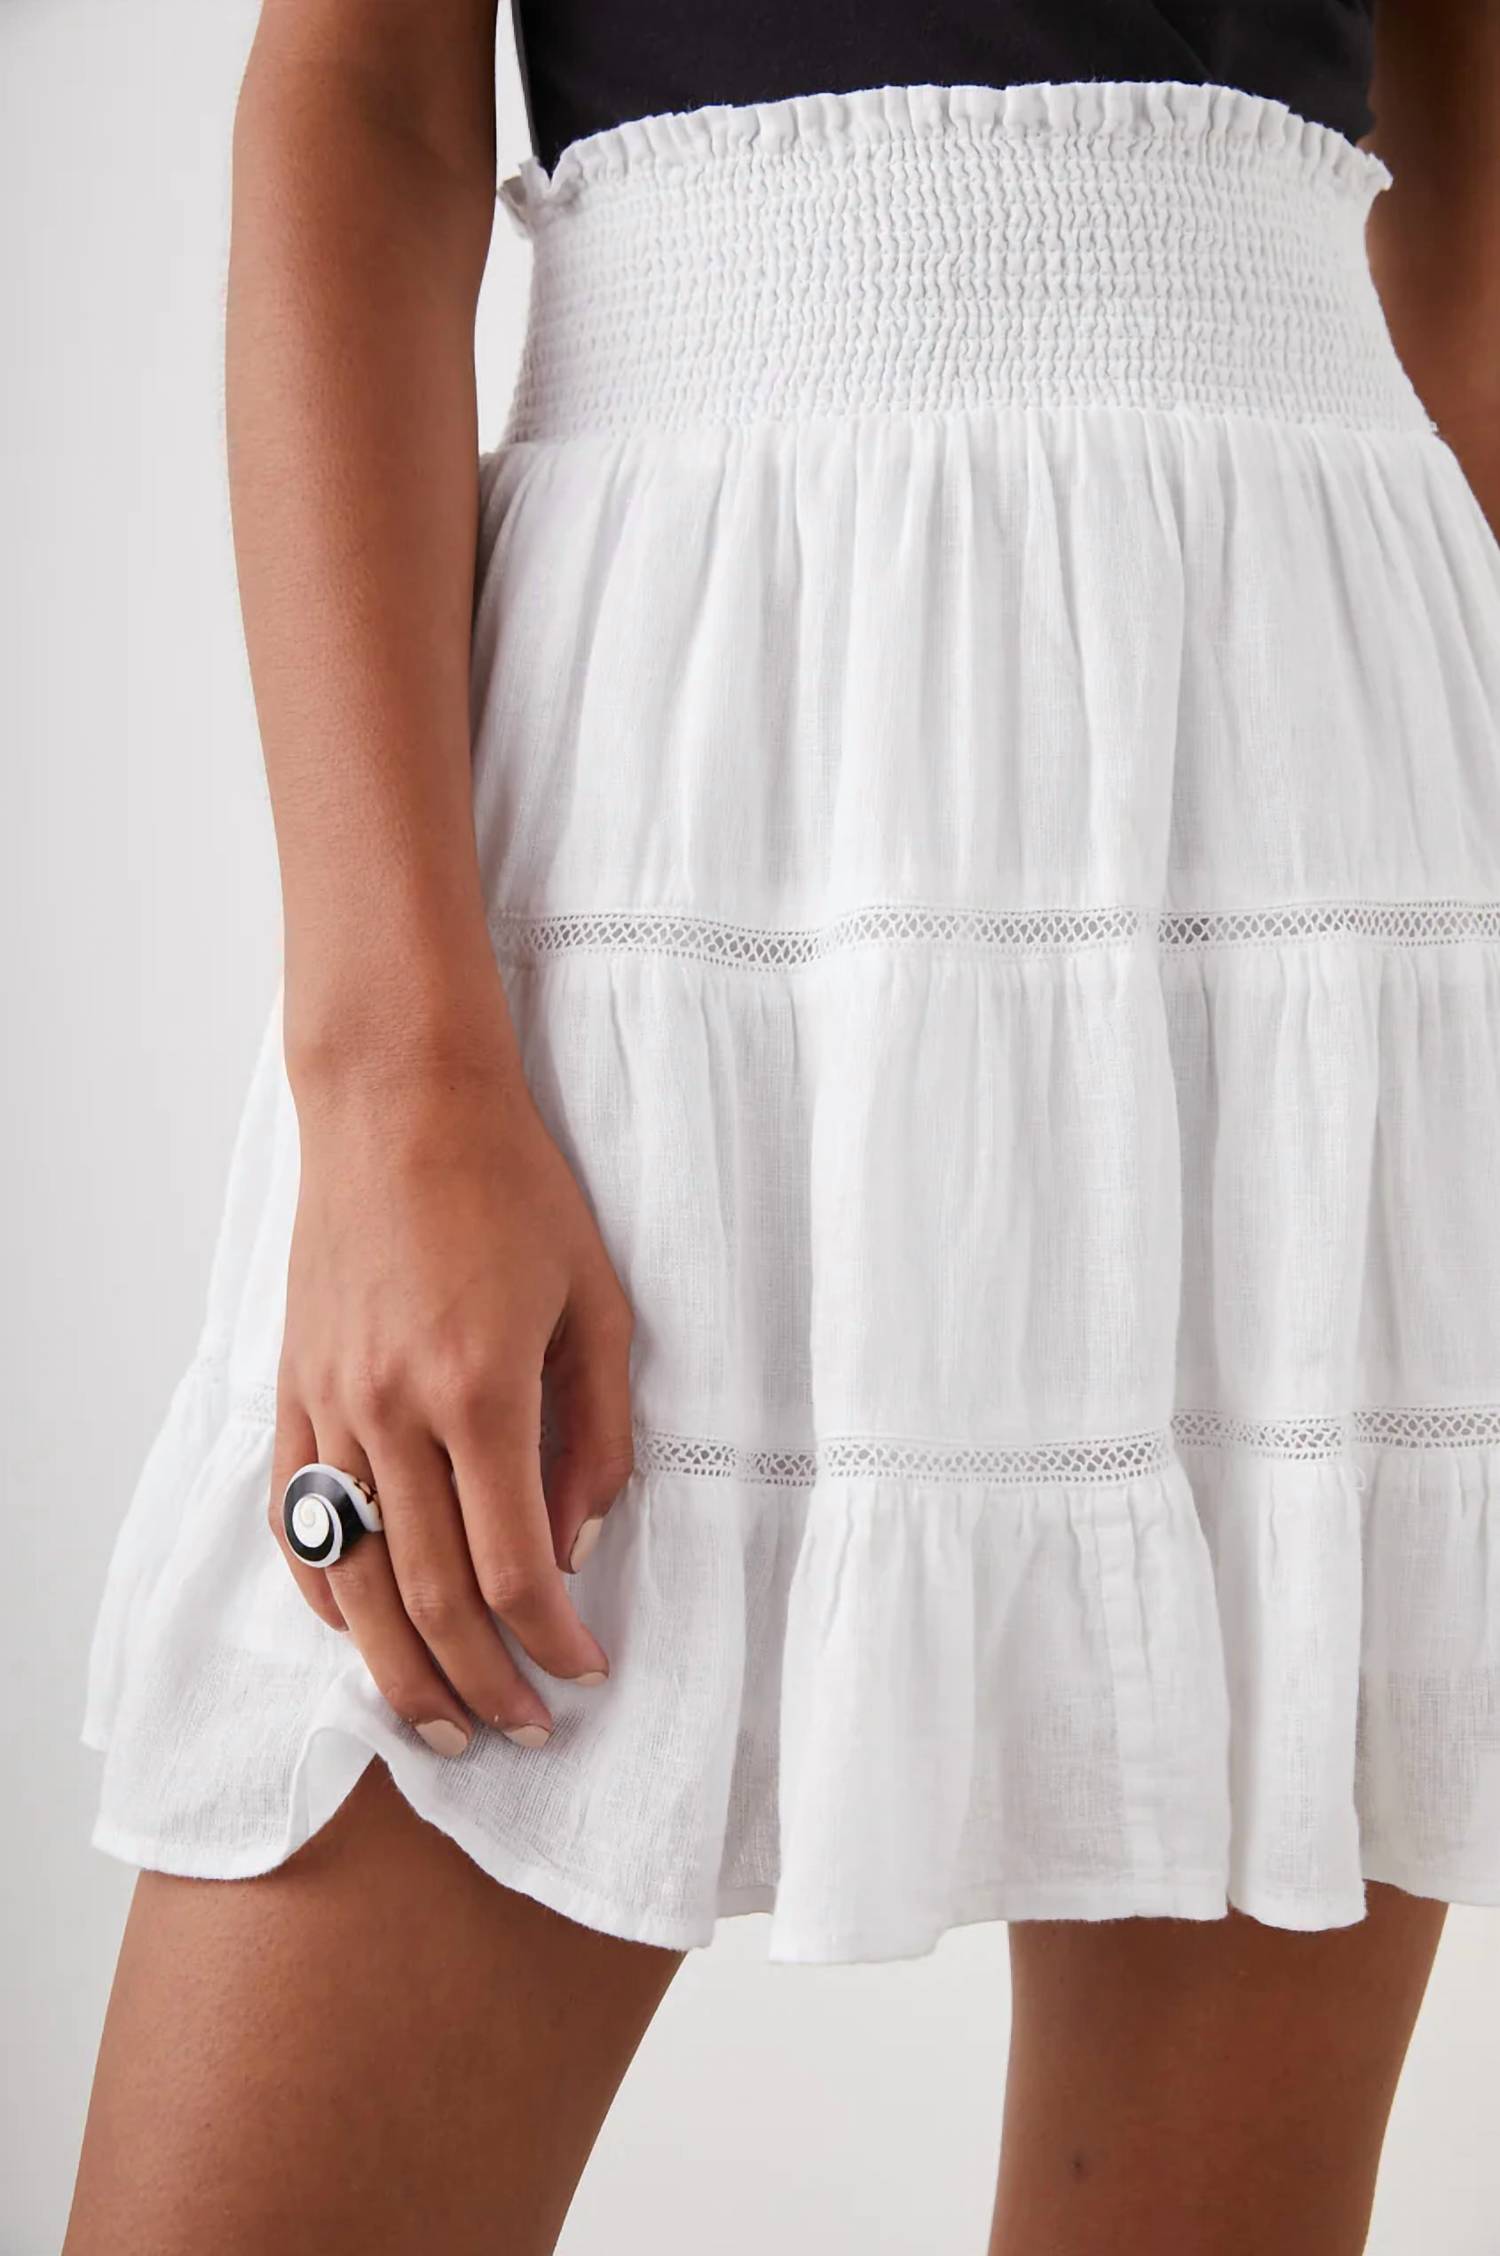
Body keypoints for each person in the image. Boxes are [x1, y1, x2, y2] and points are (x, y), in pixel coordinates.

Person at [67, 4, 1500, 2252]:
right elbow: (361, 101)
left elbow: (1471, 171)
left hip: (1307, 775)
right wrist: (392, 1074)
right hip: (671, 754)